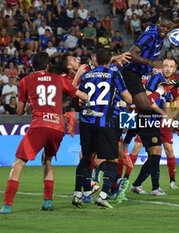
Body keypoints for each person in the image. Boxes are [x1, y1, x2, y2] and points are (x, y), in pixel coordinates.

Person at [0, 52, 88, 214]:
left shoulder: (25, 81)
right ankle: (47, 202)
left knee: (18, 163)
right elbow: (83, 96)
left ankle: (7, 205)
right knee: (47, 160)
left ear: (32, 66)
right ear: (47, 66)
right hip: (58, 127)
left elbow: (18, 111)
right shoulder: (58, 79)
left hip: (39, 126)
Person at [121, 2, 179, 195]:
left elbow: (174, 24)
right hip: (131, 74)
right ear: (158, 24)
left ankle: (143, 180)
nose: (165, 30)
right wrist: (151, 63)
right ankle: (129, 140)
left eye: (167, 27)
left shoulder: (165, 29)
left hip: (139, 76)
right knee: (145, 109)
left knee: (145, 115)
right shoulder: (150, 34)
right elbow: (131, 54)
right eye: (162, 27)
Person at [72, 48, 132, 209]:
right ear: (110, 60)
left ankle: (78, 193)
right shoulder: (113, 73)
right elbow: (128, 97)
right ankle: (104, 195)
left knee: (86, 158)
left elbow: (79, 96)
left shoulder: (86, 75)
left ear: (96, 59)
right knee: (113, 159)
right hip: (105, 122)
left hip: (86, 122)